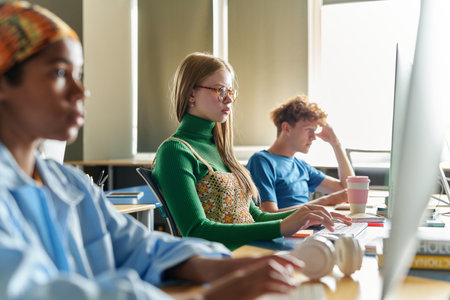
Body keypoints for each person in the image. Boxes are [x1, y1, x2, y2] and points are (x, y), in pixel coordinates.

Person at [0, 2, 307, 299]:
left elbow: (137, 247)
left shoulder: (70, 184)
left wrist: (225, 267)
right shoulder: (176, 151)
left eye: (79, 75)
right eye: (58, 73)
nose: (81, 91)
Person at [152, 52, 351, 251]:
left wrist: (309, 212)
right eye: (220, 91)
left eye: (231, 92)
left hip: (251, 251)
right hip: (222, 261)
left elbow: (255, 217)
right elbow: (196, 230)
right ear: (190, 94)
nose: (229, 100)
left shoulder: (221, 151)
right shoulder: (175, 152)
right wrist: (282, 226)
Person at [246, 95, 355, 213]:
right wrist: (323, 201)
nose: (314, 137)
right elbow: (268, 214)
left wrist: (335, 143)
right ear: (287, 128)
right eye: (309, 130)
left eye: (314, 131)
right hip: (287, 231)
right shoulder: (262, 161)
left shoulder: (301, 166)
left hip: (308, 228)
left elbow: (351, 189)